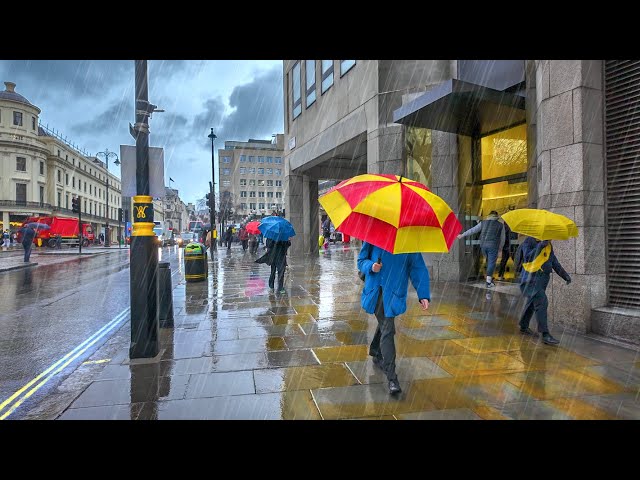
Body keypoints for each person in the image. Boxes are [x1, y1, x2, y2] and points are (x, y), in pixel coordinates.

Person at [357, 241, 431, 395]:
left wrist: (423, 293)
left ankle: (375, 349)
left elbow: (417, 267)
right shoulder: (374, 235)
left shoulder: (408, 240)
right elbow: (361, 261)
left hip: (394, 293)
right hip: (377, 292)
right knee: (388, 330)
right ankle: (392, 378)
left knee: (386, 325)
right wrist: (371, 266)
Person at [514, 236, 571, 345]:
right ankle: (545, 334)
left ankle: (524, 325)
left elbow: (554, 262)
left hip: (542, 279)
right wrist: (540, 246)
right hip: (530, 279)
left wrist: (565, 276)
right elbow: (528, 257)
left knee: (532, 302)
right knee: (542, 302)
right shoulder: (529, 240)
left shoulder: (548, 245)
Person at [457, 210, 505, 288]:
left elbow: (473, 230)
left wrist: (462, 235)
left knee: (489, 261)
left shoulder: (483, 223)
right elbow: (503, 238)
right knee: (491, 263)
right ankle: (488, 282)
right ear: (497, 217)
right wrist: (500, 248)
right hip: (493, 246)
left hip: (483, 245)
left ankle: (489, 278)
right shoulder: (500, 225)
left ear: (489, 216)